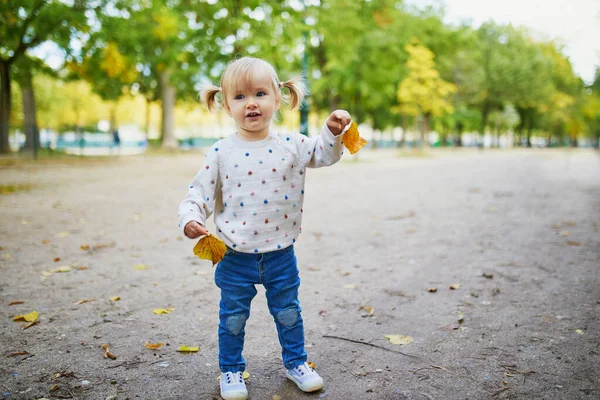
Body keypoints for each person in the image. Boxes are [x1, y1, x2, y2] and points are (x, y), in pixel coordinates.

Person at [178, 57, 351, 400]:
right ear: (226, 105)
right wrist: (190, 218)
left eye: (260, 93)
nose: (251, 103)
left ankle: (296, 363)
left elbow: (324, 155)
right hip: (233, 257)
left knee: (288, 313)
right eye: (240, 97)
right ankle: (230, 370)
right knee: (233, 317)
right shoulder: (221, 153)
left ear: (278, 97)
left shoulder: (293, 144)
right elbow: (197, 191)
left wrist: (331, 132)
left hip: (280, 254)